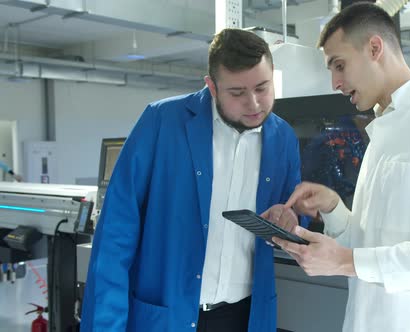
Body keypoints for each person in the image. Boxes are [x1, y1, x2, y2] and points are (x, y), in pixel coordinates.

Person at [273, 3, 410, 332]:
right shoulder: (384, 133)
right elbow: (367, 245)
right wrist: (334, 208)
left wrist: (345, 261)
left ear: (375, 48)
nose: (335, 81)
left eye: (339, 65)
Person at [81, 28, 302, 332]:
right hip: (168, 317)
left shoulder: (284, 139)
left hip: (245, 316)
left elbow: (290, 213)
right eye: (237, 93)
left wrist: (290, 219)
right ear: (212, 87)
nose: (253, 104)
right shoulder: (161, 122)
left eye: (262, 88)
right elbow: (114, 239)